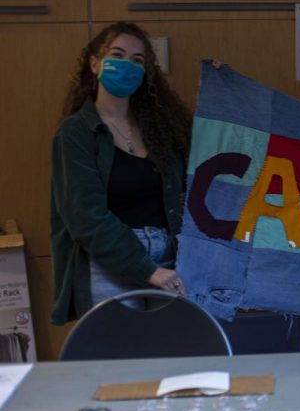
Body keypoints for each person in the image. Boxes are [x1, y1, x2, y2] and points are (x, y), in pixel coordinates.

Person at [50, 22, 193, 324]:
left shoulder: (162, 130)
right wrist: (147, 269)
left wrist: (222, 90)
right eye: (118, 54)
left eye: (137, 60)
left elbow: (195, 186)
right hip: (108, 266)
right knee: (117, 363)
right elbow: (84, 217)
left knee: (171, 358)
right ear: (95, 64)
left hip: (170, 259)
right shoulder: (75, 132)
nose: (127, 65)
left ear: (145, 73)